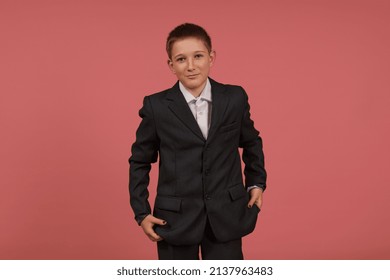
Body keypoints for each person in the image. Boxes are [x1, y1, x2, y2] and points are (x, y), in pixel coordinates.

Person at [129, 23, 267, 260]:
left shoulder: (234, 98)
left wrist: (256, 183)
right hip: (175, 220)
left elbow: (252, 142)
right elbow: (139, 161)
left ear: (211, 58)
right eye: (181, 59)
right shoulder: (156, 107)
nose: (191, 66)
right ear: (171, 65)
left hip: (227, 214)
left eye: (198, 56)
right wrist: (141, 212)